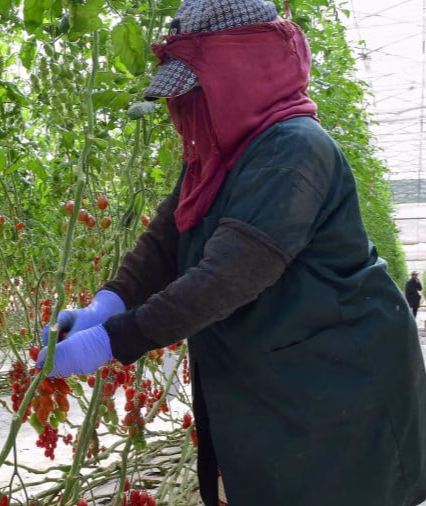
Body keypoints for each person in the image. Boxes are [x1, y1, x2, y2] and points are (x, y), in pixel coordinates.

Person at [37, 1, 426, 505]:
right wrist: (108, 302)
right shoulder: (220, 151)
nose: (186, 108)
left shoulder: (293, 148)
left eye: (196, 90)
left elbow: (229, 275)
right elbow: (165, 239)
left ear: (240, 74)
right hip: (284, 382)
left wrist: (114, 340)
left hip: (340, 387)